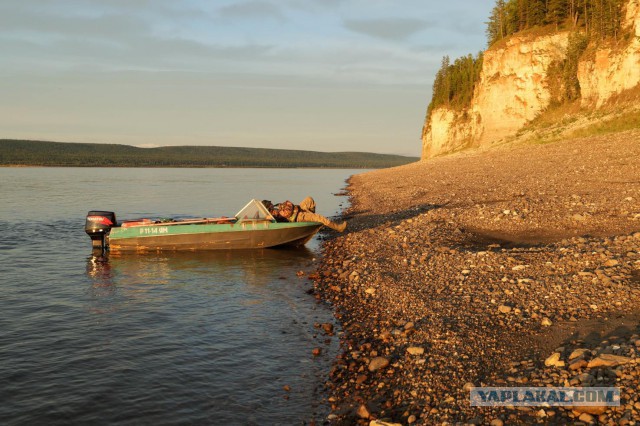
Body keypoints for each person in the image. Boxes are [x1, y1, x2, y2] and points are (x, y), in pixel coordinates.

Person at [262, 197, 347, 232]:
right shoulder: (274, 213)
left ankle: (311, 218)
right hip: (297, 216)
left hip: (298, 210)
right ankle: (338, 228)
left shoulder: (275, 209)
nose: (272, 203)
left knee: (309, 200)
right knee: (320, 218)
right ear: (268, 207)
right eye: (270, 204)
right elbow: (288, 212)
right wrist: (288, 205)